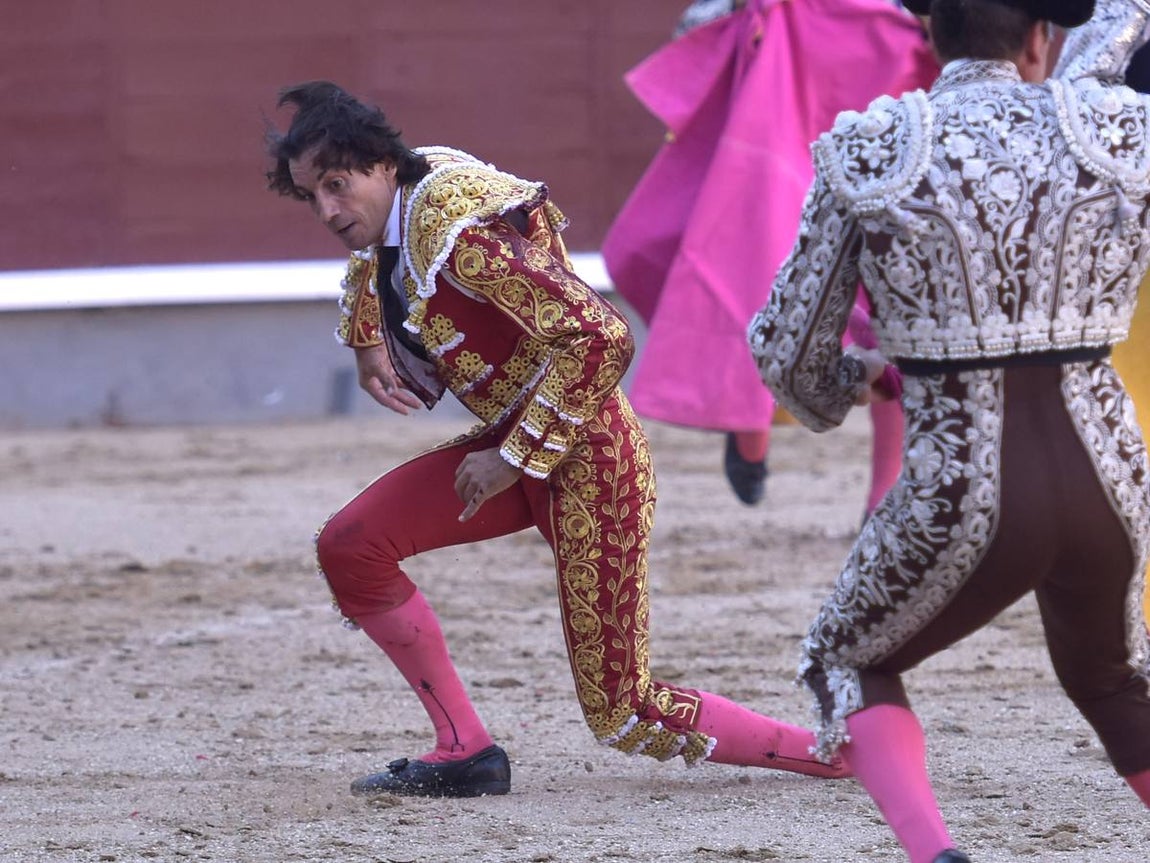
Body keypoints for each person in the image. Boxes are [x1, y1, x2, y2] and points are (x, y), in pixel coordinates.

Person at [265, 80, 850, 798]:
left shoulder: (462, 240)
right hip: (517, 445)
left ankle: (836, 756)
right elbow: (373, 251)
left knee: (623, 710)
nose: (327, 211)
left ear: (383, 164)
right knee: (350, 545)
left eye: (337, 186)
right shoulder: (406, 199)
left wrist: (512, 457)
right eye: (311, 196)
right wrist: (364, 337)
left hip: (590, 458)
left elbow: (603, 337)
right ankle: (464, 749)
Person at [748, 0, 1150, 859]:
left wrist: (851, 380)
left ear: (931, 34)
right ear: (1039, 38)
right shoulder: (1122, 129)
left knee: (845, 659)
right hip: (1112, 475)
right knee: (1113, 678)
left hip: (961, 489)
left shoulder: (874, 148)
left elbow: (785, 348)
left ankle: (937, 853)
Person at [602, 0, 938, 507]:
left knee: (878, 285)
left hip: (864, 65)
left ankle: (874, 492)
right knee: (758, 251)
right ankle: (751, 419)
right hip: (813, 67)